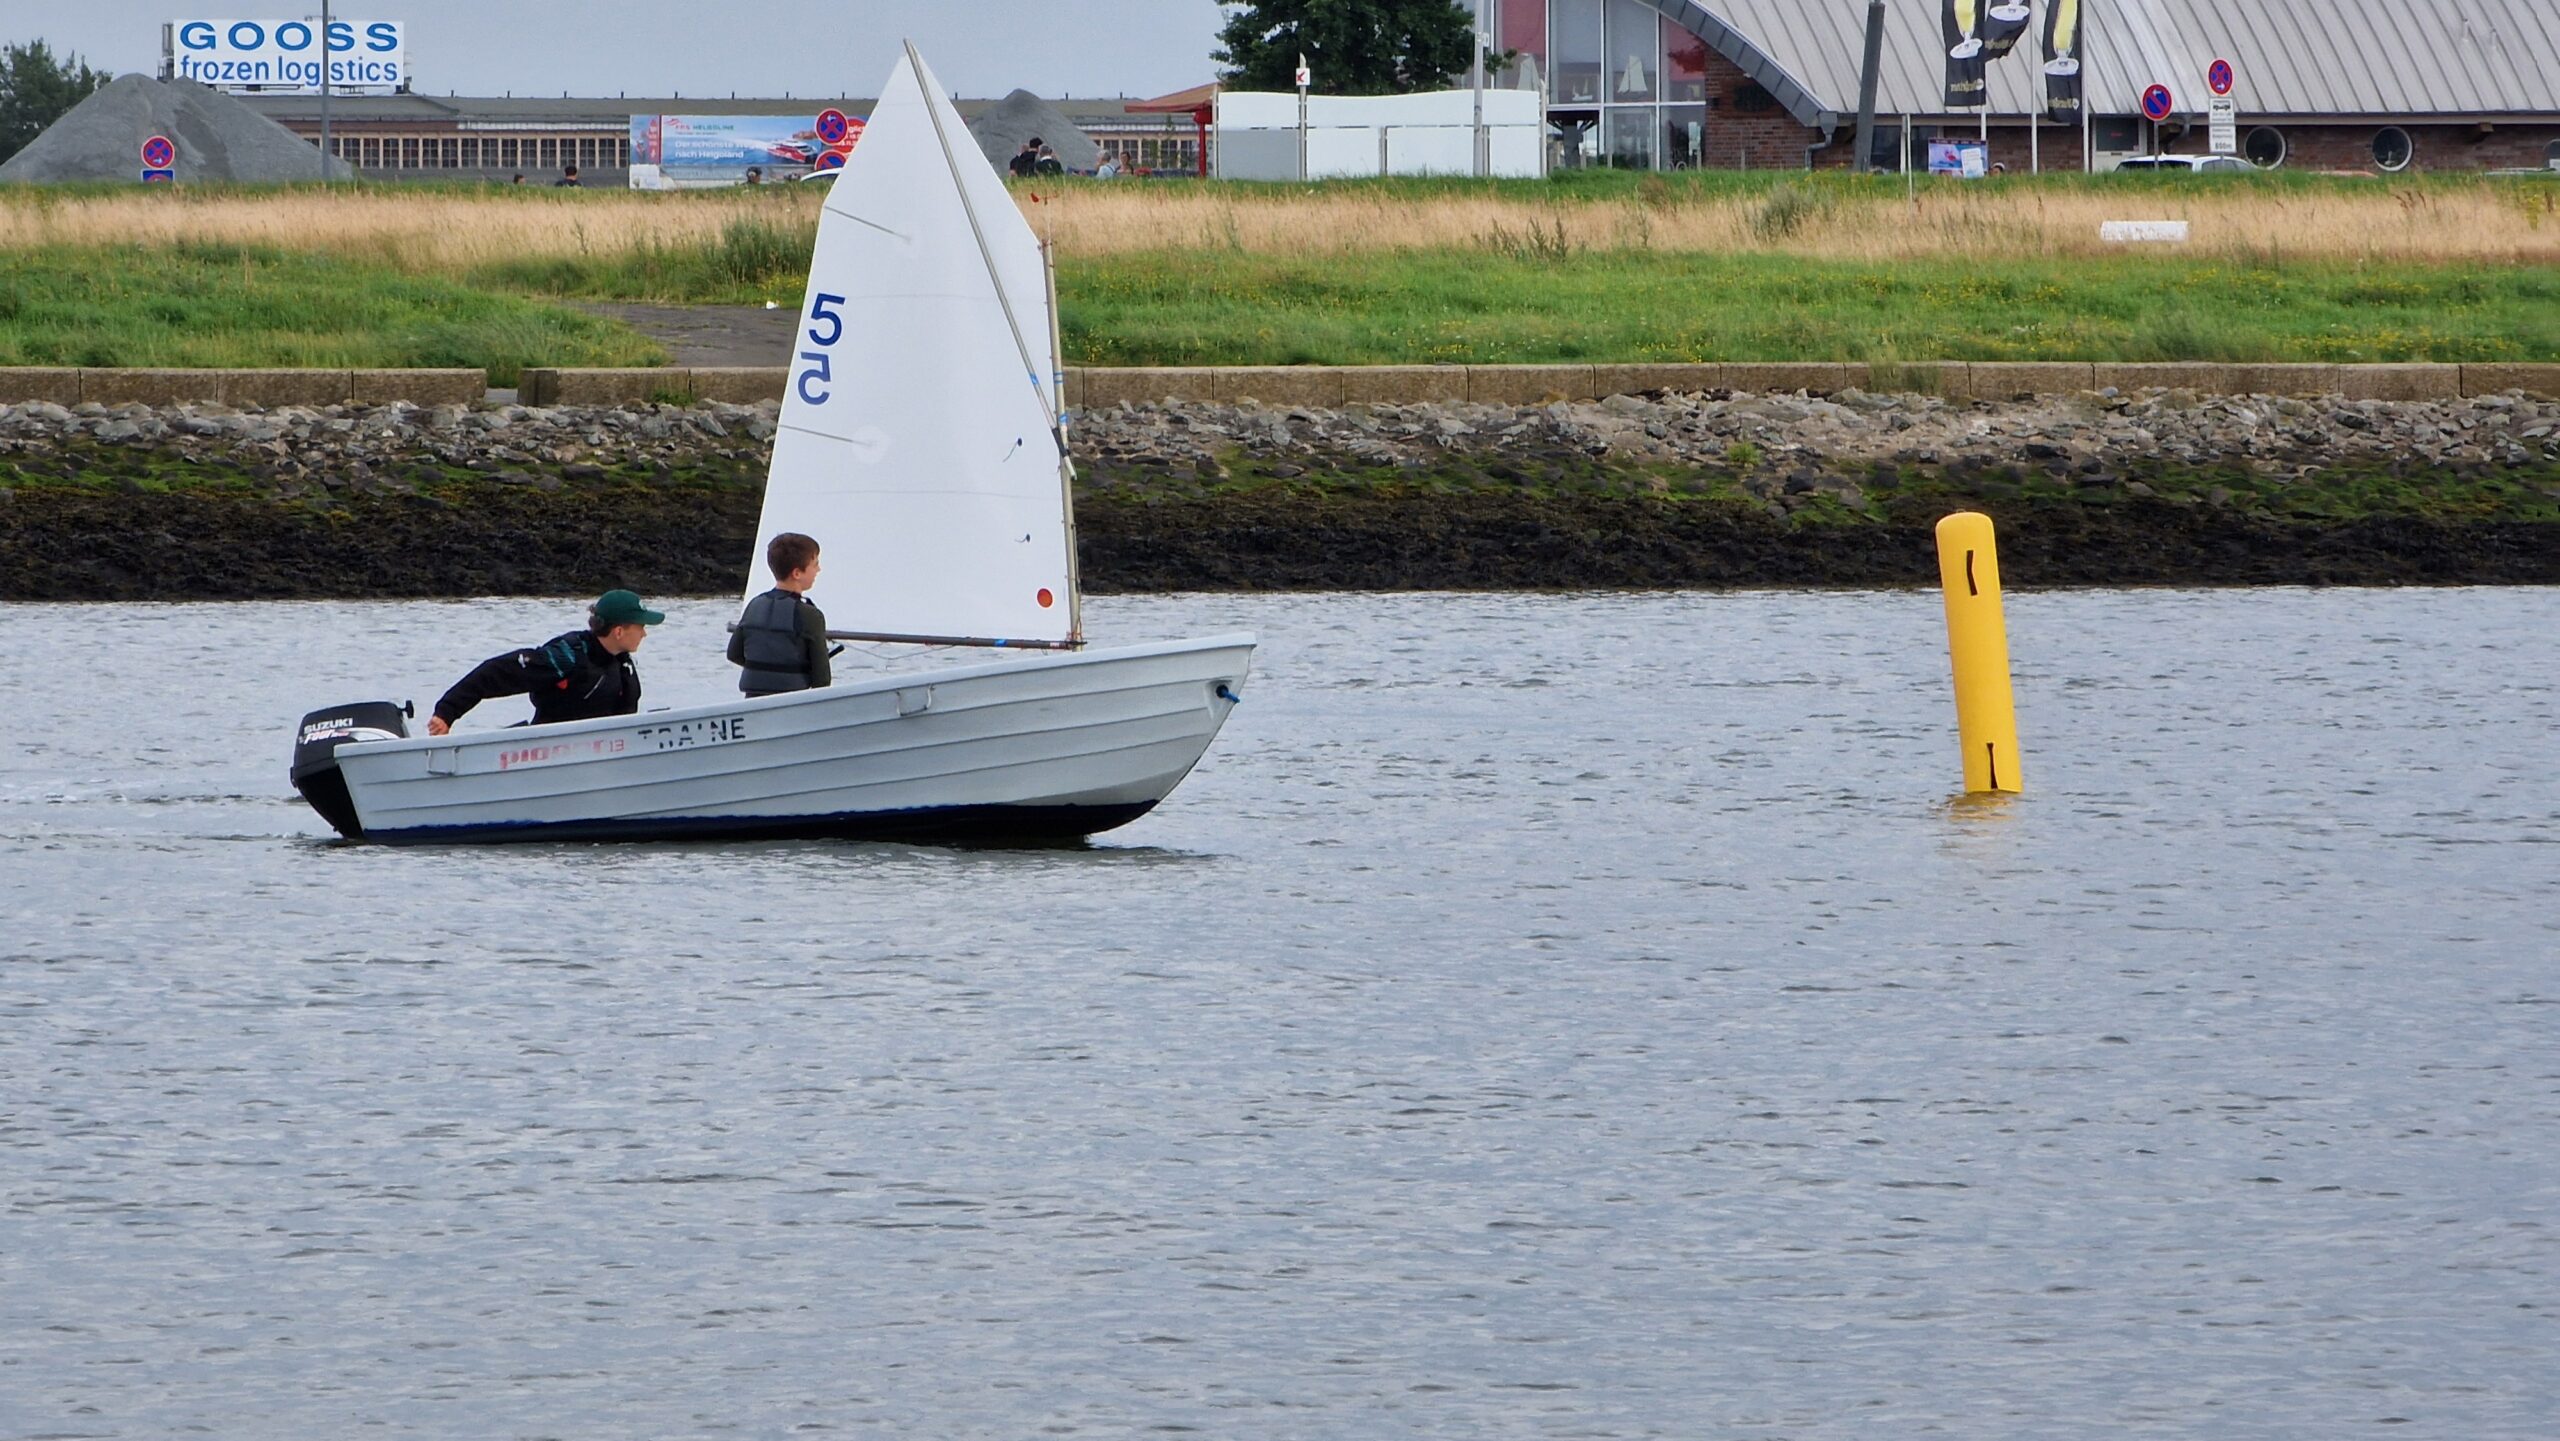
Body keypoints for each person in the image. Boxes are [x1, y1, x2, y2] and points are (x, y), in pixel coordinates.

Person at [425, 589, 661, 735]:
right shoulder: (567, 656)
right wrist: (446, 713)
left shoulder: (623, 664)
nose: (644, 634)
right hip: (547, 748)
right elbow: (495, 673)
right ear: (619, 631)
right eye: (641, 627)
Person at [728, 533, 833, 696]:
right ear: (797, 573)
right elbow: (822, 679)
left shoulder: (754, 604)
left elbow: (733, 654)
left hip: (753, 697)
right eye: (815, 565)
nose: (818, 570)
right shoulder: (811, 615)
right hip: (792, 700)